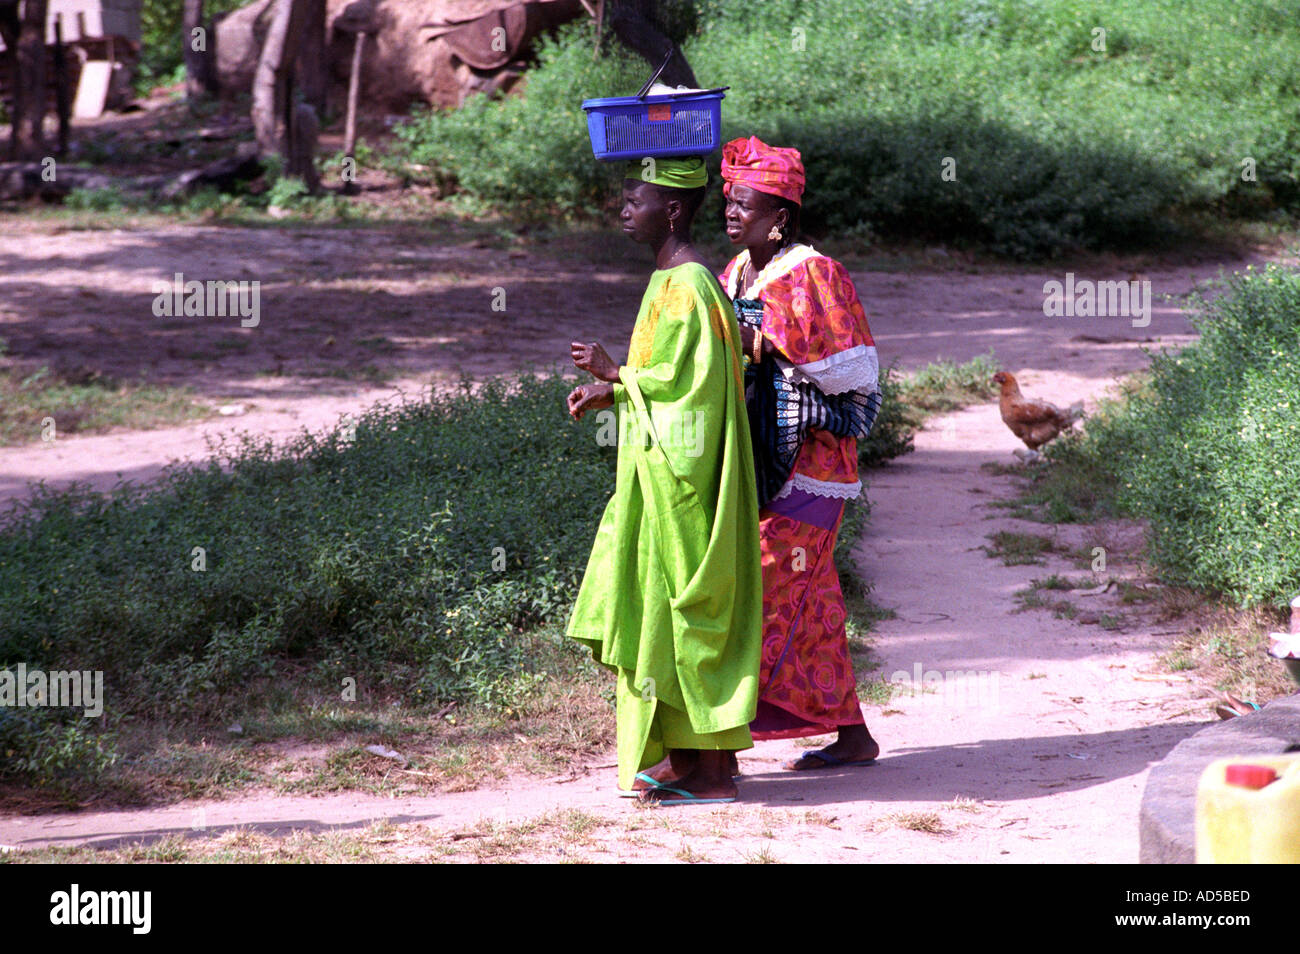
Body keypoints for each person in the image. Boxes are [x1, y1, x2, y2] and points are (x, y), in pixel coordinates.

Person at [565, 156, 763, 804]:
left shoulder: (695, 285)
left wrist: (617, 374)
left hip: (685, 483)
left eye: (636, 199)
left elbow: (695, 395)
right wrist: (608, 392)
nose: (625, 209)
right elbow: (664, 378)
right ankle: (699, 765)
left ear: (673, 210)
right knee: (660, 611)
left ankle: (707, 771)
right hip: (658, 474)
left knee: (682, 611)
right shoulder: (664, 280)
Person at [718, 135, 883, 770]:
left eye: (746, 204)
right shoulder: (738, 271)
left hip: (812, 470)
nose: (732, 213)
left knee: (758, 591)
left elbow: (854, 372)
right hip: (763, 458)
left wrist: (767, 340)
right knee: (807, 602)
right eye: (729, 201)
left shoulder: (815, 273)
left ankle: (720, 743)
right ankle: (852, 734)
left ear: (780, 216)